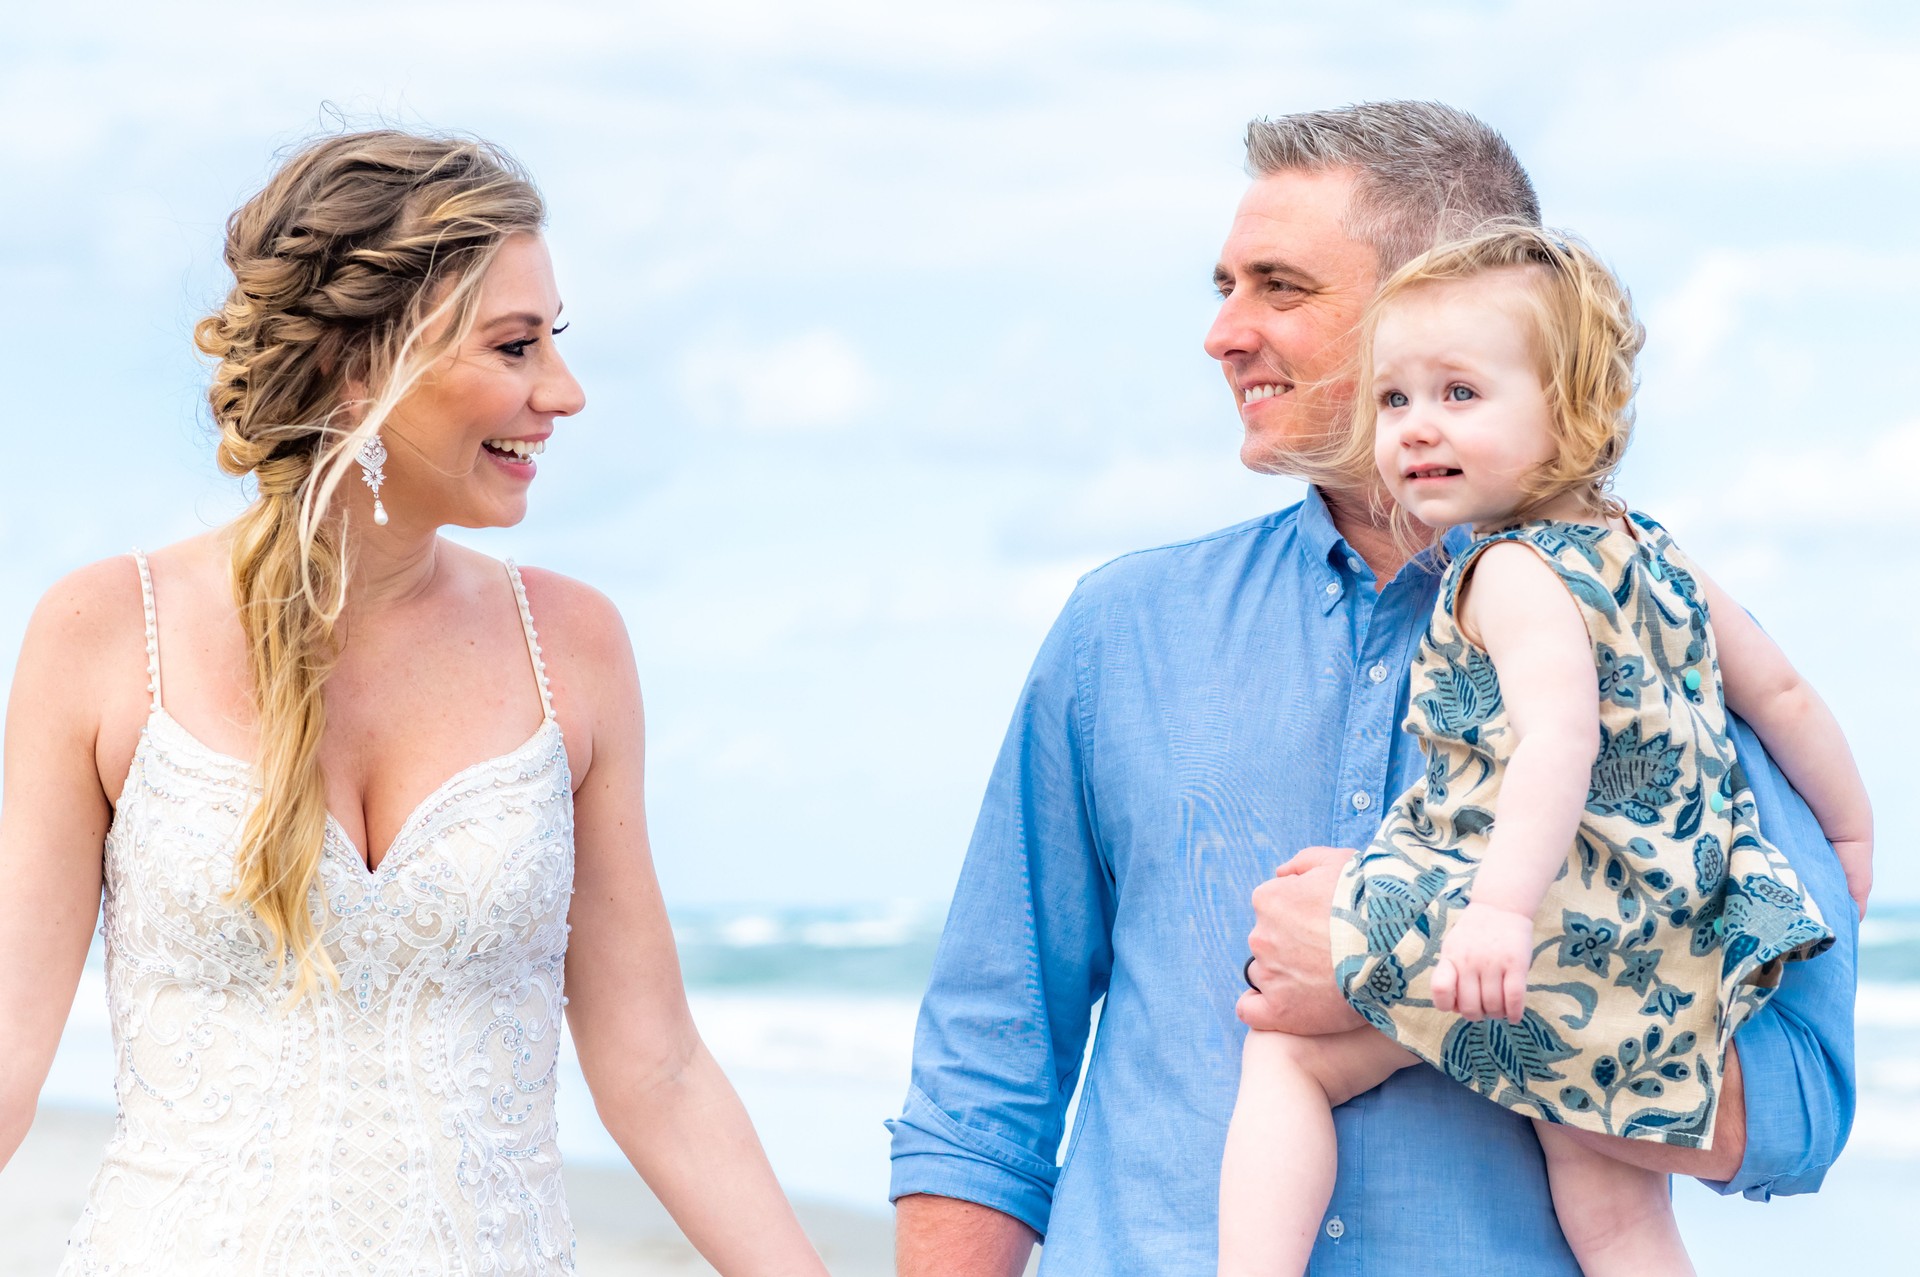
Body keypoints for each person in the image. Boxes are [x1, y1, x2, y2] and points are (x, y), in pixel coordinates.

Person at [889, 102, 1859, 1275]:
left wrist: (1394, 954)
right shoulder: (1121, 632)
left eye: (1279, 287)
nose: (1222, 332)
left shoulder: (1663, 643)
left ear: (1445, 298)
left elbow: (1799, 1112)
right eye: (1223, 284)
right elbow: (988, 1077)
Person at [0, 129, 828, 1276]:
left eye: (556, 343)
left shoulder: (573, 647)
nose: (565, 392)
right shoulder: (102, 633)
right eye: (516, 345)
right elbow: (5, 1045)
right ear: (363, 363)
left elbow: (659, 1068)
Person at [1216, 224, 1870, 1277]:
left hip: (1537, 932)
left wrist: (1498, 912)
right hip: (1660, 945)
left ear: (1569, 412)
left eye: (1459, 395)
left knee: (1289, 1053)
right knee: (1613, 1208)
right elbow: (1784, 692)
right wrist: (1850, 831)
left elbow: (1557, 739)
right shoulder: (1657, 551)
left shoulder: (1510, 571)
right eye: (1395, 399)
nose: (1416, 428)